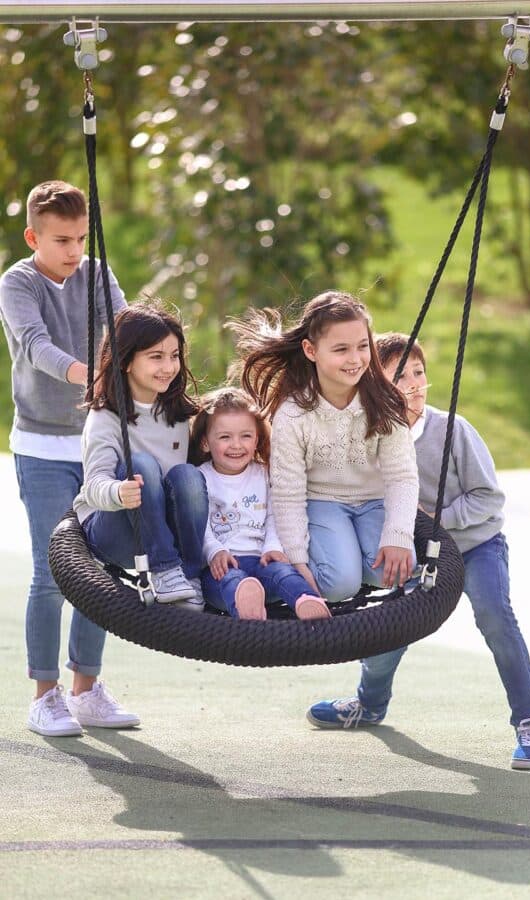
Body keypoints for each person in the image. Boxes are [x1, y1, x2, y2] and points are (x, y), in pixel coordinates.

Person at [307, 332, 530, 771]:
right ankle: (369, 704)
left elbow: (488, 498)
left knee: (495, 617)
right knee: (390, 626)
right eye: (400, 377)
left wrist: (435, 518)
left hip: (476, 546)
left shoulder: (451, 430)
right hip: (421, 555)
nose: (414, 384)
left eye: (419, 373)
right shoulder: (372, 436)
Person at [0, 179, 139, 737]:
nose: (74, 250)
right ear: (34, 237)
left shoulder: (98, 273)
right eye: (61, 240)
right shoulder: (17, 282)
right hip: (41, 447)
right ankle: (45, 697)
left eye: (81, 237)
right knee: (52, 573)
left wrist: (138, 359)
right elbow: (36, 347)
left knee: (98, 570)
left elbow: (125, 328)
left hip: (96, 443)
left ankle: (86, 691)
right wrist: (94, 375)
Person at [228, 291, 419, 609]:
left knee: (396, 569)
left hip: (374, 501)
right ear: (310, 350)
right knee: (338, 584)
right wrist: (297, 559)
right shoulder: (293, 414)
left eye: (362, 346)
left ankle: (352, 553)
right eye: (341, 349)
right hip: (323, 501)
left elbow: (402, 476)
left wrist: (397, 535)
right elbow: (288, 491)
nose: (355, 359)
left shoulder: (384, 403)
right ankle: (285, 581)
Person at [73, 301, 209, 616]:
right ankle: (164, 571)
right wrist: (119, 492)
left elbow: (185, 491)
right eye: (156, 357)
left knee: (188, 475)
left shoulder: (177, 415)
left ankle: (189, 573)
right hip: (117, 531)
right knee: (142, 465)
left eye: (174, 356)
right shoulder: (106, 417)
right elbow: (94, 485)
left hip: (161, 528)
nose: (168, 367)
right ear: (126, 362)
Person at [189, 386, 330, 620]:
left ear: (257, 439)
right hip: (222, 565)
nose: (236, 445)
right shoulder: (200, 477)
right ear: (205, 442)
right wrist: (215, 551)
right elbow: (198, 525)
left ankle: (306, 601)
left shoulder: (264, 474)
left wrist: (273, 547)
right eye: (225, 437)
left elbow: (275, 515)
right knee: (231, 580)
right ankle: (247, 607)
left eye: (246, 436)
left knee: (283, 573)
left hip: (262, 560)